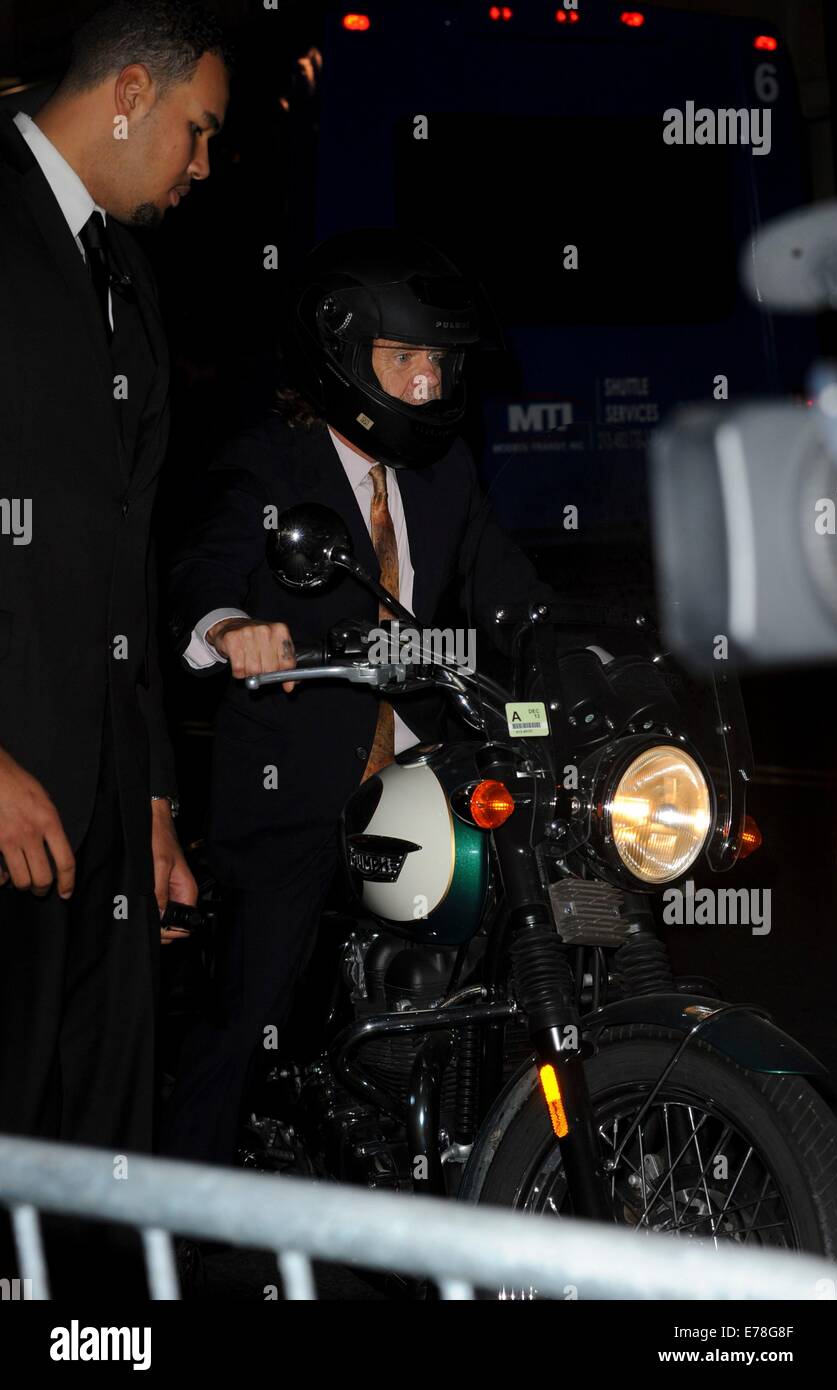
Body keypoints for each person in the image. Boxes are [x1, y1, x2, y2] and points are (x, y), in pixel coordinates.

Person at [161, 228, 554, 1165]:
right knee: (249, 1009)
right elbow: (201, 571)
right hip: (295, 776)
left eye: (439, 361)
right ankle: (176, 1215)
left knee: (511, 913)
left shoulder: (445, 468)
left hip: (420, 763)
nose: (427, 380)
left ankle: (459, 1133)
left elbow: (506, 585)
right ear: (342, 356)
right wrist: (228, 628)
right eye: (404, 356)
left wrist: (574, 644)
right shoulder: (268, 464)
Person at [0, 0, 230, 1152]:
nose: (204, 163)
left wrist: (149, 803)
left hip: (101, 803)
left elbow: (125, 559)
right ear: (131, 91)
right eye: (197, 129)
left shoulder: (127, 276)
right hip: (9, 788)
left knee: (101, 1130)